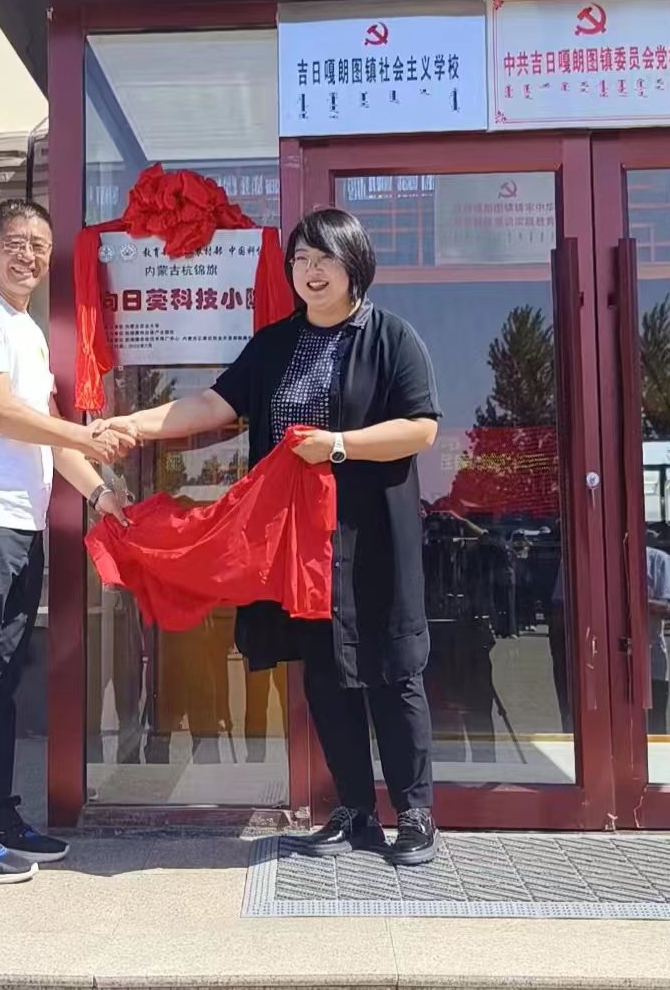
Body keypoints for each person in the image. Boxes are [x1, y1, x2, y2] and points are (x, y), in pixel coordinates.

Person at [99, 208, 441, 865]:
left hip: (371, 537)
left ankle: (416, 814)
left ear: (354, 265)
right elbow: (213, 404)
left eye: (325, 258)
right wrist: (136, 424)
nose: (311, 271)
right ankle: (355, 812)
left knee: (393, 671)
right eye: (301, 259)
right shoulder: (275, 343)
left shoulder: (391, 338)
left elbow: (420, 428)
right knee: (326, 676)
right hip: (301, 547)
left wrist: (337, 445)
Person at [0, 199, 132, 885]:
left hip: (18, 524)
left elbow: (44, 428)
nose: (29, 255)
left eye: (40, 245)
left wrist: (99, 493)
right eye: (15, 242)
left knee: (1, 681)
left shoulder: (27, 332)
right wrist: (86, 435)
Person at [645, 542, 670, 734]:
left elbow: (666, 609)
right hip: (610, 660)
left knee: (656, 721)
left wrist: (630, 600)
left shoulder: (658, 560)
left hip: (652, 656)